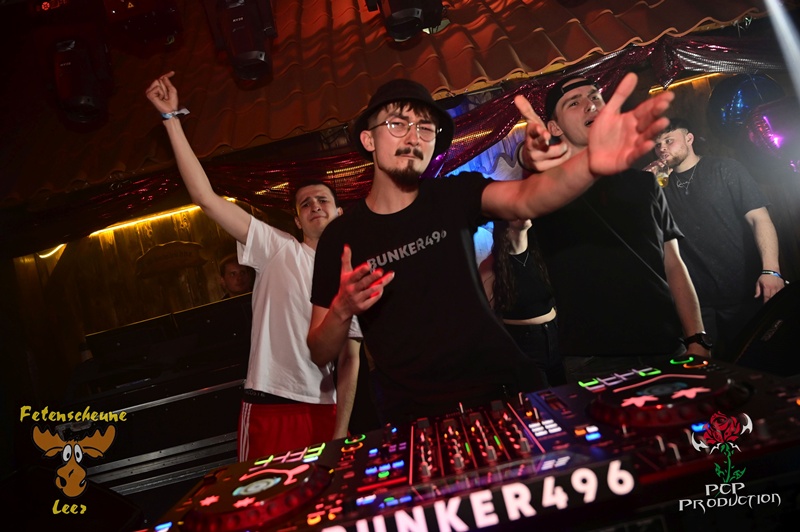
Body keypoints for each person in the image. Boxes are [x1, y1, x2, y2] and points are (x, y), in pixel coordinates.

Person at [307, 73, 675, 425]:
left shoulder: (453, 195)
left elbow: (528, 198)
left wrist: (589, 165)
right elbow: (319, 352)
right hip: (411, 414)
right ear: (369, 139)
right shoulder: (341, 237)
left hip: (500, 390)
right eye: (398, 125)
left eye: (425, 128)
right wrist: (342, 309)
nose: (414, 137)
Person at [145, 72, 361, 461]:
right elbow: (205, 197)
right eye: (305, 203)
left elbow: (350, 358)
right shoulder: (277, 247)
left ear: (340, 213)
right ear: (296, 221)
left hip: (324, 409)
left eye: (322, 200)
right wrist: (171, 119)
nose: (314, 206)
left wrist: (340, 431)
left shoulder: (352, 276)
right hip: (269, 404)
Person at [521, 76, 708, 382]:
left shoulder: (644, 184)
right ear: (554, 128)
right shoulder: (545, 193)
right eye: (574, 102)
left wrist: (697, 338)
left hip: (666, 346)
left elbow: (673, 263)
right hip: (594, 359)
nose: (590, 104)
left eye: (595, 96)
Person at [650, 118, 786, 360]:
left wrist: (771, 271)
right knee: (707, 372)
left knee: (756, 363)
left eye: (669, 140)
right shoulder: (659, 186)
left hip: (744, 293)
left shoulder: (725, 169)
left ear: (689, 139)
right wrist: (644, 188)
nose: (662, 149)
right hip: (696, 303)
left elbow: (759, 219)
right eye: (658, 144)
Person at [478, 218, 566, 386]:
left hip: (555, 340)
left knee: (565, 397)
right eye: (517, 212)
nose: (525, 215)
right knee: (539, 400)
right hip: (525, 345)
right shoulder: (492, 266)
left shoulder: (539, 255)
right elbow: (486, 318)